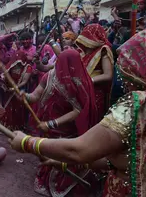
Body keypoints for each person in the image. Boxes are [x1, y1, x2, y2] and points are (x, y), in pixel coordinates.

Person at [9, 26, 146, 197]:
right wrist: (65, 163)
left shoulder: (139, 104)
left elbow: (80, 150)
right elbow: (128, 160)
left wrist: (27, 142)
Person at [22, 50, 99, 196]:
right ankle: (45, 178)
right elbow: (35, 95)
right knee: (45, 150)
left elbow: (78, 111)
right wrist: (25, 96)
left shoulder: (80, 81)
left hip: (66, 128)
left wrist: (52, 124)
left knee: (60, 154)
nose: (59, 66)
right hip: (46, 124)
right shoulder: (49, 76)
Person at [76, 24, 114, 121]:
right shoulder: (83, 51)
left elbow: (108, 75)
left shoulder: (103, 50)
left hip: (95, 91)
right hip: (82, 90)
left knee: (92, 120)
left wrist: (88, 81)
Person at [3, 51, 32, 130]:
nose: (18, 63)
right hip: (9, 90)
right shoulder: (12, 65)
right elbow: (5, 74)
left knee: (18, 108)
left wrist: (15, 88)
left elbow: (24, 81)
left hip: (20, 90)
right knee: (9, 107)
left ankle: (17, 126)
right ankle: (8, 125)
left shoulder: (28, 67)